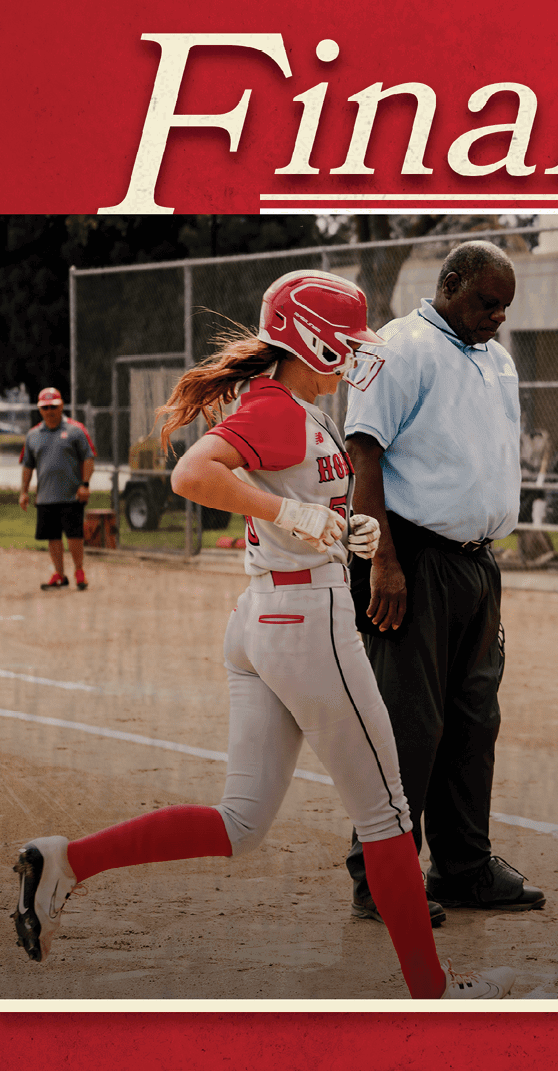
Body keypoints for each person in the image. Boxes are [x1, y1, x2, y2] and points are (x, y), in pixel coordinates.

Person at [13, 269, 513, 999]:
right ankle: (433, 994)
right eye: (342, 344)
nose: (354, 357)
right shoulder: (279, 406)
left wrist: (345, 530)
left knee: (241, 821)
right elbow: (193, 472)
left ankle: (65, 861)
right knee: (387, 813)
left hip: (266, 618)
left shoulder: (299, 406)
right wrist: (291, 519)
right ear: (310, 341)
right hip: (305, 623)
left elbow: (297, 497)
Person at [343, 240, 545, 921]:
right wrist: (383, 562)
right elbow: (363, 451)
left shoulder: (498, 359)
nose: (499, 317)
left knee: (471, 719)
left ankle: (461, 867)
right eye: (488, 302)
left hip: (477, 562)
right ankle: (382, 876)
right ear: (450, 284)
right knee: (408, 722)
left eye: (506, 307)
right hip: (412, 558)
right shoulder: (397, 346)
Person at [19, 386, 94, 590]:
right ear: (39, 409)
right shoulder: (33, 435)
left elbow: (88, 458)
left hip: (71, 495)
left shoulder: (75, 430)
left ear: (61, 406)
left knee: (74, 535)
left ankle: (79, 571)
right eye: (45, 407)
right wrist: (24, 492)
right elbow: (27, 465)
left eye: (53, 406)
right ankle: (59, 574)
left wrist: (85, 484)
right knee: (52, 537)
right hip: (45, 497)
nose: (49, 411)